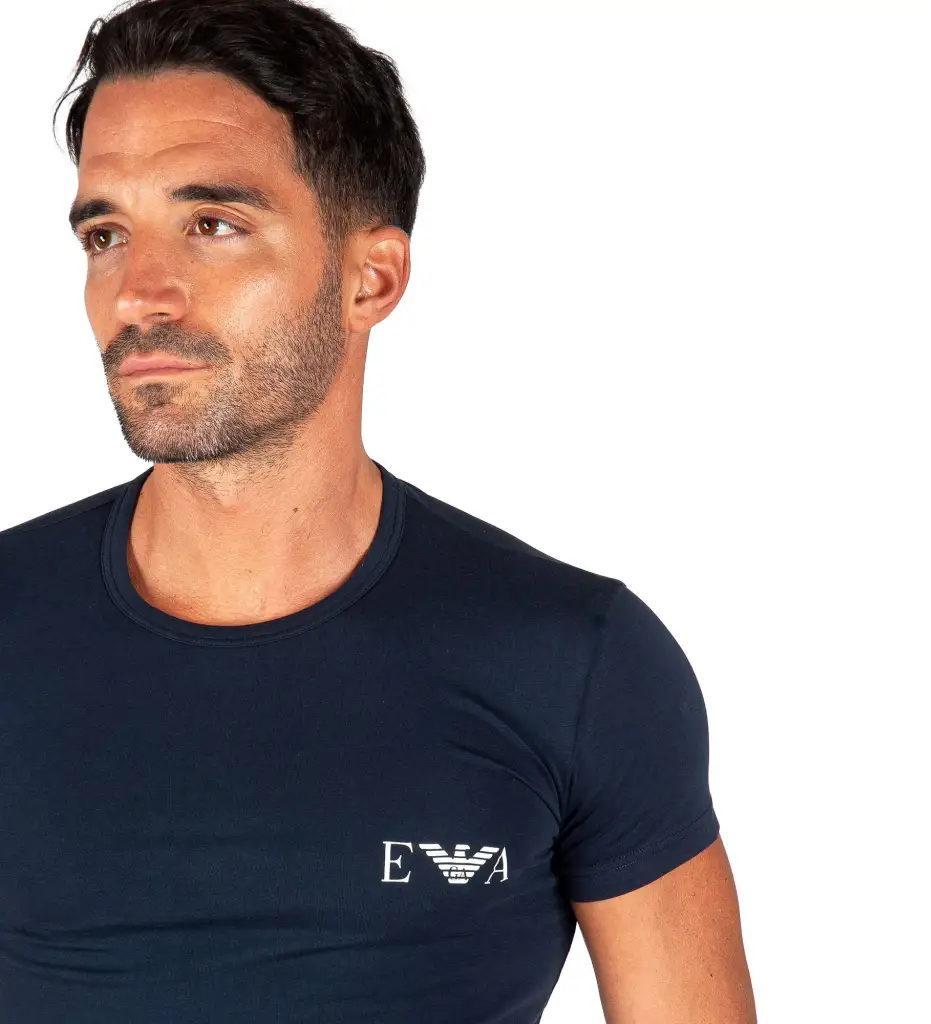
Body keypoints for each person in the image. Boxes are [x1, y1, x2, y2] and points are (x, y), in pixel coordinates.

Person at [0, 0, 757, 1020]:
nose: (138, 293)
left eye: (212, 225)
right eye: (105, 234)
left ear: (372, 277)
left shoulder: (576, 663)